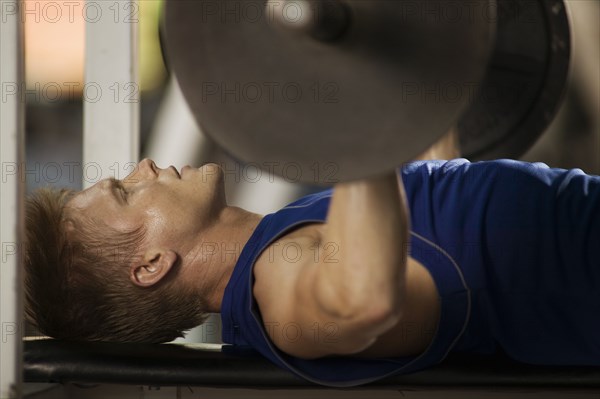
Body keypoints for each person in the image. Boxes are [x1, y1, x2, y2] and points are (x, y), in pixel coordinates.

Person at [24, 132, 600, 387]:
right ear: (150, 265)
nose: (144, 167)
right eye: (125, 192)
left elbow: (434, 188)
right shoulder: (280, 289)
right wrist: (350, 124)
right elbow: (366, 298)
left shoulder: (286, 233)